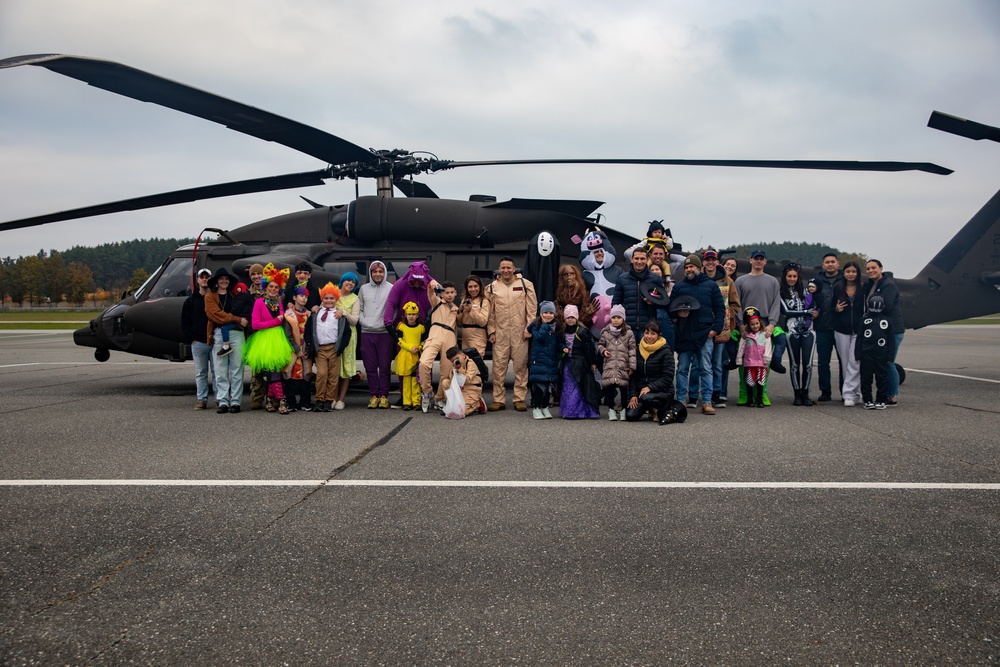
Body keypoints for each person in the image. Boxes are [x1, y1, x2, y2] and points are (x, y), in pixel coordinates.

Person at [669, 255, 725, 415]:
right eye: (686, 267)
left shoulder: (711, 286)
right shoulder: (679, 287)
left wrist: (716, 329)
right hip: (684, 333)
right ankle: (681, 400)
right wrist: (678, 313)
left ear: (699, 268)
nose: (688, 269)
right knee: (682, 369)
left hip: (704, 333)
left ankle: (707, 402)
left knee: (706, 368)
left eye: (691, 267)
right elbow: (670, 310)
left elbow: (720, 309)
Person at [487, 256, 538, 412]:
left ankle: (519, 399)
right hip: (500, 333)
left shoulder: (525, 284)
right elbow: (489, 312)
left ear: (514, 269)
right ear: (499, 269)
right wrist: (491, 331)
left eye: (508, 267)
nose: (506, 270)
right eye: (503, 268)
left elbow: (532, 308)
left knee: (521, 366)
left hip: (519, 332)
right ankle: (498, 400)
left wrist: (528, 329)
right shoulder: (491, 287)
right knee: (498, 367)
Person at [243, 264, 294, 414]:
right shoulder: (259, 303)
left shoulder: (278, 303)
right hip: (264, 340)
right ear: (265, 287)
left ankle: (270, 401)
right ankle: (282, 400)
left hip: (278, 340)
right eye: (271, 286)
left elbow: (283, 319)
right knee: (273, 371)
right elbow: (255, 324)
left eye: (276, 288)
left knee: (275, 370)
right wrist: (275, 322)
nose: (273, 289)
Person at [735, 249, 787, 374]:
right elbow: (737, 304)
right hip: (747, 321)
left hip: (765, 321)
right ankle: (733, 361)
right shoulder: (741, 281)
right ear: (751, 260)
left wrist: (772, 324)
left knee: (781, 340)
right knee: (735, 343)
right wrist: (740, 323)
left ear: (765, 261)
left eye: (761, 259)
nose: (758, 261)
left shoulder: (773, 281)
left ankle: (776, 361)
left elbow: (776, 303)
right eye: (756, 258)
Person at [204, 267, 248, 414]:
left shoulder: (235, 295)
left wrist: (242, 320)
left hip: (237, 334)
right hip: (218, 334)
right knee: (220, 369)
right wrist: (238, 319)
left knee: (237, 369)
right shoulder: (210, 297)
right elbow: (216, 315)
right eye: (221, 279)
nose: (224, 281)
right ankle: (223, 401)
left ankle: (235, 402)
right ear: (216, 282)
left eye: (226, 279)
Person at [702, 249, 740, 408]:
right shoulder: (699, 279)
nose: (710, 262)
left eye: (713, 260)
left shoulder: (728, 282)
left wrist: (727, 314)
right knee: (702, 364)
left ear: (717, 262)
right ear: (704, 262)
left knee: (717, 362)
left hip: (722, 328)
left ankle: (716, 393)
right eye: (707, 260)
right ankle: (704, 394)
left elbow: (736, 304)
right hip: (703, 326)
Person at [863, 259, 904, 406]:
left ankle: (892, 395)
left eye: (874, 268)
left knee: (888, 362)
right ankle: (888, 394)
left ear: (881, 268)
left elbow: (885, 308)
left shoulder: (888, 285)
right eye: (868, 269)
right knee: (884, 363)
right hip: (882, 329)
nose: (871, 270)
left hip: (892, 329)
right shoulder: (874, 285)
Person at [779, 263, 818, 406]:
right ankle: (796, 394)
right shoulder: (781, 292)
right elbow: (786, 312)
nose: (792, 279)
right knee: (794, 364)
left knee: (807, 364)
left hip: (808, 330)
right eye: (789, 276)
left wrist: (815, 311)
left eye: (795, 276)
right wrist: (806, 312)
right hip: (792, 330)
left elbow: (815, 306)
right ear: (785, 277)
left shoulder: (807, 291)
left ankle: (805, 393)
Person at [418, 280, 459, 413]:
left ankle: (439, 398)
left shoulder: (457, 309)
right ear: (442, 294)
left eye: (452, 292)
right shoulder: (436, 302)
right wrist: (432, 284)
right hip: (435, 334)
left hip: (450, 336)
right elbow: (430, 289)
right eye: (447, 292)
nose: (450, 295)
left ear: (455, 293)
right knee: (424, 363)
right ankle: (426, 392)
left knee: (447, 370)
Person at [624, 321, 676, 424]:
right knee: (630, 415)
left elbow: (668, 377)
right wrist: (633, 395)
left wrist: (650, 387)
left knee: (646, 397)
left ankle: (660, 409)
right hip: (642, 392)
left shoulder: (666, 351)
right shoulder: (638, 350)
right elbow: (634, 376)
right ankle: (649, 409)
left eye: (653, 333)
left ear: (659, 335)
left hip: (663, 391)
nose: (649, 336)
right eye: (646, 333)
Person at [358, 260, 394, 409]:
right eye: (374, 272)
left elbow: (395, 308)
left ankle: (384, 396)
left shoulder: (392, 288)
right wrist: (364, 322)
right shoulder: (363, 289)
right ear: (370, 273)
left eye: (380, 271)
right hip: (367, 332)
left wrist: (388, 322)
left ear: (385, 273)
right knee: (370, 367)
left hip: (385, 333)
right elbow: (358, 309)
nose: (378, 274)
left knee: (385, 367)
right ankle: (374, 395)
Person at [305, 283, 344, 412]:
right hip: (320, 349)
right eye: (326, 298)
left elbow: (346, 333)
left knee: (333, 376)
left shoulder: (339, 315)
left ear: (336, 299)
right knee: (321, 374)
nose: (328, 301)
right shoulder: (316, 313)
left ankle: (329, 400)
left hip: (334, 349)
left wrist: (341, 346)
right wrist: (311, 344)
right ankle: (319, 399)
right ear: (322, 299)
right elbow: (308, 331)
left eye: (331, 298)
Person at [558, 304, 601, 419]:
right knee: (568, 387)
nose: (570, 319)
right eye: (568, 317)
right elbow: (559, 343)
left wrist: (593, 362)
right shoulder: (562, 331)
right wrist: (563, 347)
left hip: (581, 363)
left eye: (572, 317)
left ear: (576, 318)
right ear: (565, 318)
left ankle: (578, 411)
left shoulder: (582, 331)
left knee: (578, 387)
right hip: (568, 363)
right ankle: (567, 410)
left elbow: (590, 348)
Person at [181, 268, 215, 410]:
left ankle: (220, 399)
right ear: (198, 280)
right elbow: (185, 322)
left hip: (214, 341)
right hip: (198, 342)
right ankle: (202, 399)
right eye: (202, 277)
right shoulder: (190, 301)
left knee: (217, 372)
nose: (205, 279)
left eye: (207, 277)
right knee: (201, 373)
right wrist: (192, 338)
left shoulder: (215, 299)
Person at [855, 295, 895, 410]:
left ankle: (881, 400)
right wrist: (858, 354)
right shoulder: (863, 320)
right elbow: (859, 339)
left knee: (882, 377)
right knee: (866, 377)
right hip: (866, 353)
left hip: (882, 353)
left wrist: (890, 356)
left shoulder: (887, 321)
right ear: (868, 306)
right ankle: (867, 399)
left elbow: (891, 341)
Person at [833, 261, 864, 407]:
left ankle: (851, 394)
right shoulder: (838, 287)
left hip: (859, 331)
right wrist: (836, 309)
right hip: (841, 330)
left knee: (855, 362)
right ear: (843, 273)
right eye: (848, 271)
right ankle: (852, 394)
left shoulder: (863, 288)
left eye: (854, 271)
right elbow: (830, 306)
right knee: (845, 363)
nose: (851, 274)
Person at [598, 304, 636, 421]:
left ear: (623, 319)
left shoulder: (629, 333)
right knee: (609, 388)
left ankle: (624, 409)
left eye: (618, 317)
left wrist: (632, 366)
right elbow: (600, 345)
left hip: (623, 365)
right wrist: (603, 351)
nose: (616, 320)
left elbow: (632, 350)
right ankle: (611, 409)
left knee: (623, 388)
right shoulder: (605, 332)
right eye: (613, 317)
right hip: (609, 365)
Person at [813, 253, 843, 402]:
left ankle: (846, 391)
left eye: (833, 262)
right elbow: (810, 300)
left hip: (841, 327)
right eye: (827, 262)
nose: (830, 264)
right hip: (822, 327)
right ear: (823, 265)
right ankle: (825, 391)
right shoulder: (817, 282)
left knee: (844, 361)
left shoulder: (845, 280)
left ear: (837, 264)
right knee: (823, 362)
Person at [612, 245, 662, 333]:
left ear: (647, 259)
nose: (639, 262)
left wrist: (653, 301)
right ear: (631, 259)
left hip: (648, 328)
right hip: (627, 327)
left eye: (642, 259)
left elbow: (663, 302)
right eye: (636, 258)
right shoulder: (622, 279)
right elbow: (616, 303)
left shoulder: (655, 279)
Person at [526, 301, 561, 419]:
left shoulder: (556, 327)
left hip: (551, 361)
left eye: (551, 313)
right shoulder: (537, 327)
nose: (548, 315)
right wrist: (545, 325)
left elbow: (558, 342)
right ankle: (536, 408)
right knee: (539, 386)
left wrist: (563, 348)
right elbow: (540, 337)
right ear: (540, 314)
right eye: (545, 312)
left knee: (549, 388)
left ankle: (545, 407)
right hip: (539, 362)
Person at [333, 272, 360, 410]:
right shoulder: (333, 292)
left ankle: (341, 400)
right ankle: (332, 397)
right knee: (334, 366)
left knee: (346, 368)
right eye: (348, 280)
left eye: (353, 282)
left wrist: (343, 312)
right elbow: (322, 308)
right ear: (342, 281)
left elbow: (355, 320)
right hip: (332, 335)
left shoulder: (355, 299)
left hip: (349, 336)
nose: (350, 283)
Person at [282, 285, 312, 411]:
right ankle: (291, 402)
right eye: (301, 296)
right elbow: (288, 335)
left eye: (306, 296)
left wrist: (308, 349)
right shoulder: (288, 315)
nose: (304, 298)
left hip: (305, 350)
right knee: (290, 376)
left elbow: (312, 333)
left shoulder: (309, 314)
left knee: (306, 375)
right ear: (294, 297)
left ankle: (305, 402)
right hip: (293, 350)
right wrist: (297, 350)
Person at [735, 312, 773, 407]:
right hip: (749, 363)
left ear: (760, 323)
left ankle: (759, 400)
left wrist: (766, 359)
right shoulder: (746, 336)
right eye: (752, 324)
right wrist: (739, 359)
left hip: (761, 364)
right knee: (750, 382)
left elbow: (768, 347)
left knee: (760, 382)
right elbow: (741, 348)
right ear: (748, 325)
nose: (755, 326)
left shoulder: (765, 335)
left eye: (757, 323)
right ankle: (749, 400)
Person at [394, 301, 425, 410]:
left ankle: (416, 402)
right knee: (406, 380)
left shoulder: (421, 328)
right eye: (409, 314)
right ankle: (406, 402)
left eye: (413, 314)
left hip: (416, 356)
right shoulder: (401, 327)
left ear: (417, 315)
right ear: (405, 315)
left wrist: (419, 347)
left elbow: (424, 341)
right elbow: (399, 340)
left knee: (415, 380)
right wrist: (409, 347)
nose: (411, 317)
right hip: (406, 356)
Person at [440, 346, 487, 417]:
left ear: (463, 355)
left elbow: (466, 379)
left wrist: (459, 369)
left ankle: (478, 403)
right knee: (445, 382)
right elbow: (452, 380)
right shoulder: (455, 365)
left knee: (460, 413)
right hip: (461, 389)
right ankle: (451, 405)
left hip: (471, 389)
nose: (456, 361)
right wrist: (454, 370)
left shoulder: (470, 363)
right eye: (453, 361)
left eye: (457, 358)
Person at [555, 264, 597, 329]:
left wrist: (587, 313)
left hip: (580, 325)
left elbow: (585, 309)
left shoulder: (583, 292)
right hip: (563, 326)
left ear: (576, 275)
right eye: (566, 274)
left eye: (572, 273)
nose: (569, 276)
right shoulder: (558, 292)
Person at [458, 275, 490, 355]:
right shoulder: (464, 301)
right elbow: (459, 322)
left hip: (477, 335)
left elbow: (483, 322)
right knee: (466, 364)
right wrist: (461, 310)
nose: (473, 289)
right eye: (470, 287)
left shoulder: (484, 301)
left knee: (475, 363)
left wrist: (471, 310)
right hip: (465, 336)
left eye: (475, 286)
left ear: (480, 287)